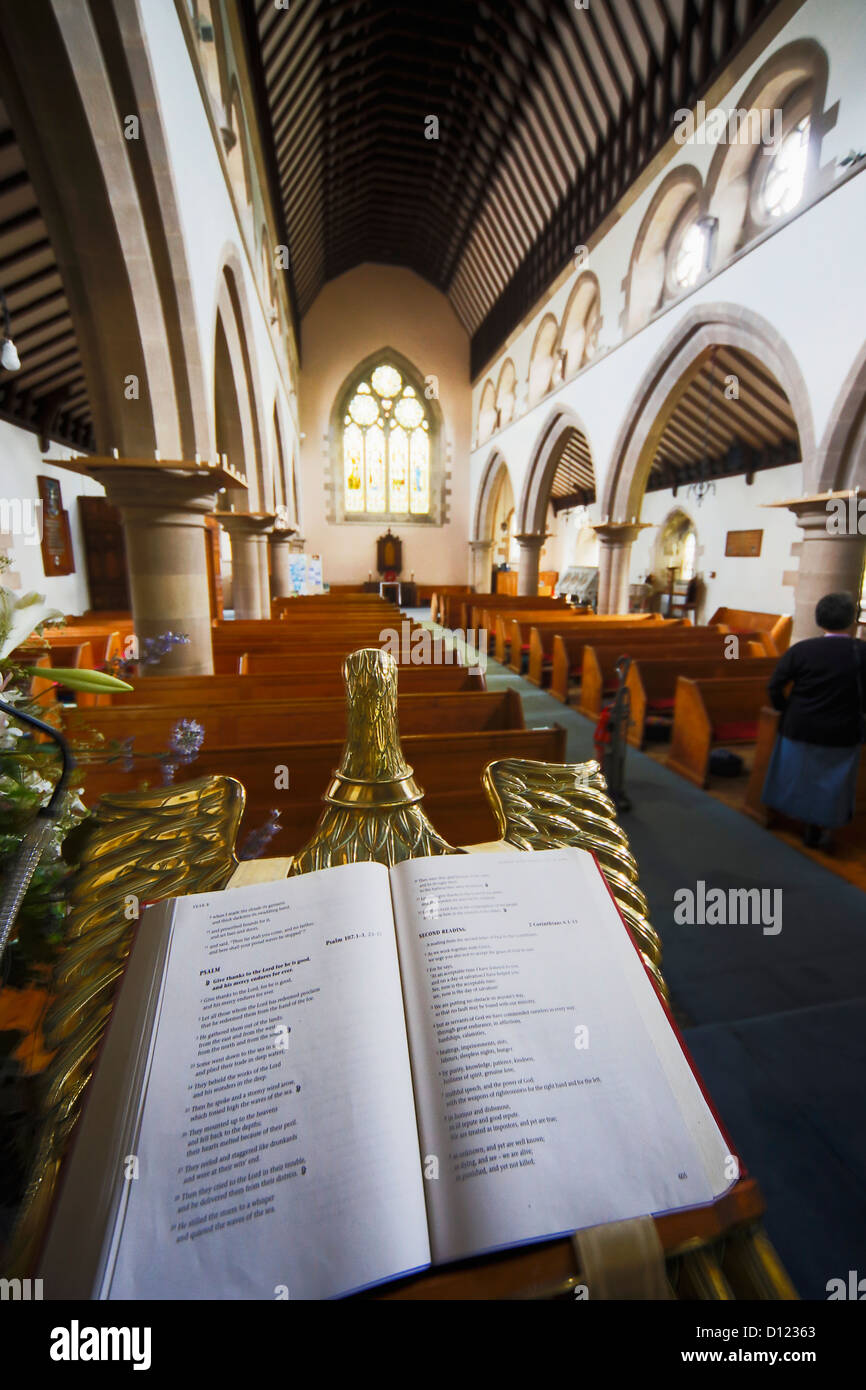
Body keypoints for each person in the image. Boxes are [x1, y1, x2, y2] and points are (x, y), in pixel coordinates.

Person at [762, 592, 866, 848]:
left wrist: (786, 710)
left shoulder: (802, 650)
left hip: (801, 726)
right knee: (834, 782)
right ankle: (823, 826)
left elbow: (775, 686)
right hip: (844, 729)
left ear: (819, 620)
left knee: (796, 775)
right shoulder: (862, 652)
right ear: (852, 620)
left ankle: (796, 820)